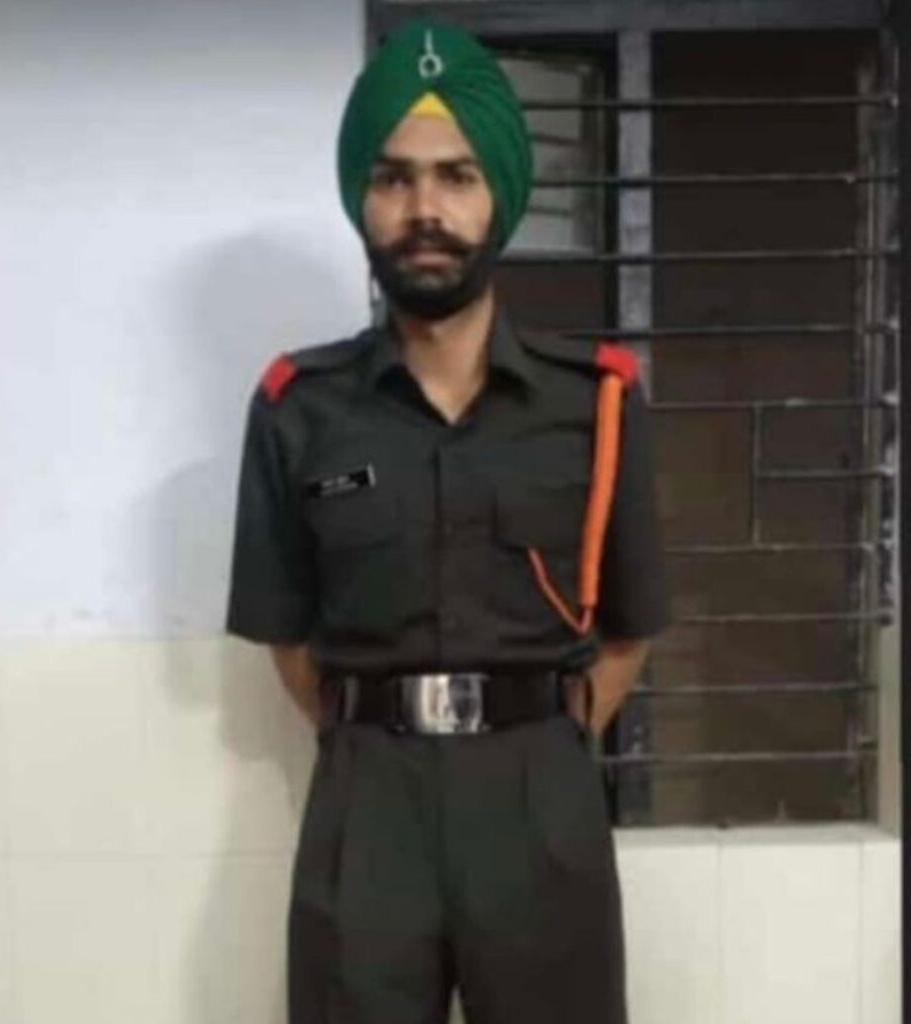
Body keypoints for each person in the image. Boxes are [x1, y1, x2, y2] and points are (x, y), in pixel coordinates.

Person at [227, 18, 669, 1024]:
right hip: (366, 802)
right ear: (362, 199)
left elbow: (629, 630)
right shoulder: (298, 409)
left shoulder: (595, 401)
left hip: (537, 797)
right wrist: (382, 738)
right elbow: (290, 644)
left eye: (456, 176)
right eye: (393, 178)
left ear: (497, 195)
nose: (424, 209)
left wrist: (533, 745)